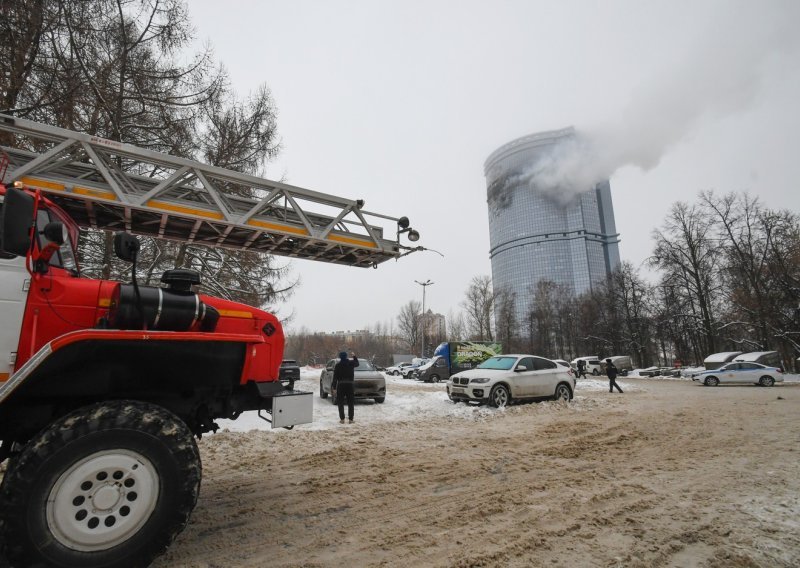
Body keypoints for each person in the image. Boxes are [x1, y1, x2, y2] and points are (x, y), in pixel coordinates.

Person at [332, 351, 359, 423]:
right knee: (350, 403)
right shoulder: (351, 363)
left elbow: (335, 378)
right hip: (350, 385)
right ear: (346, 356)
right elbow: (357, 363)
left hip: (340, 385)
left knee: (340, 402)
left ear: (340, 357)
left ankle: (342, 419)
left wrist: (334, 388)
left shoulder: (338, 365)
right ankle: (350, 419)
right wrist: (354, 356)